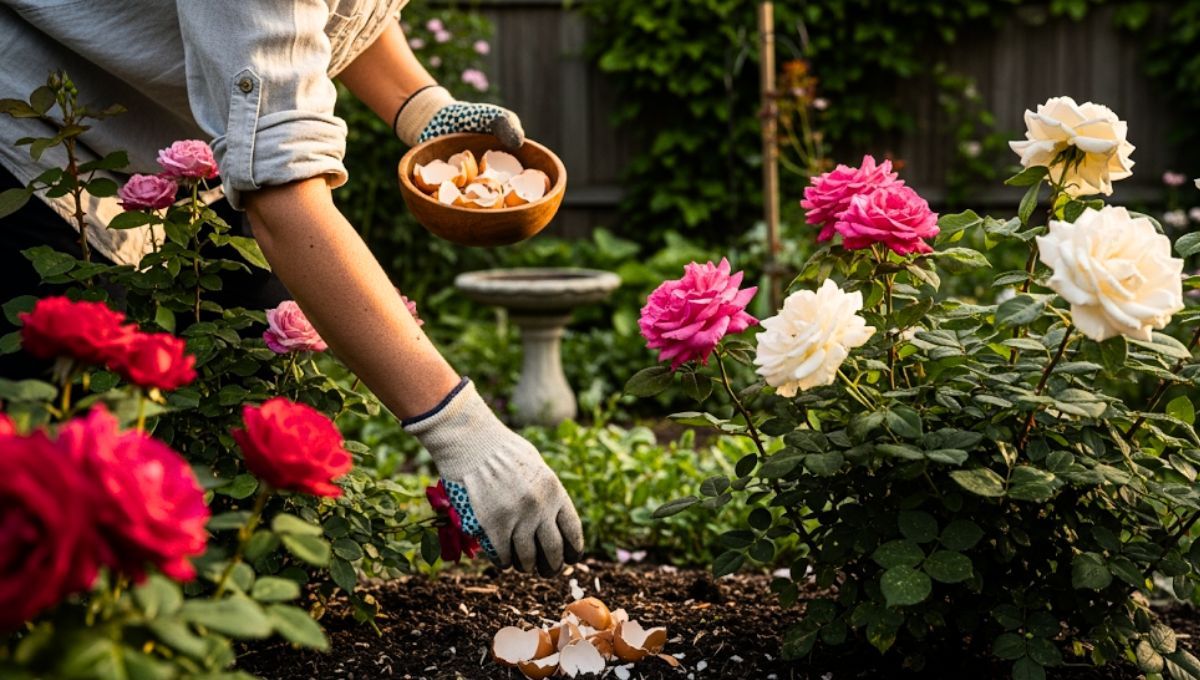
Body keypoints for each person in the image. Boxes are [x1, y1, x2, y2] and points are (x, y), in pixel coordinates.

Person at [0, 0, 583, 576]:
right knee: (51, 484)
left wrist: (421, 109)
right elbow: (283, 194)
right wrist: (462, 431)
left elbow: (330, 14)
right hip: (38, 138)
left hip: (190, 145)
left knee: (250, 420)